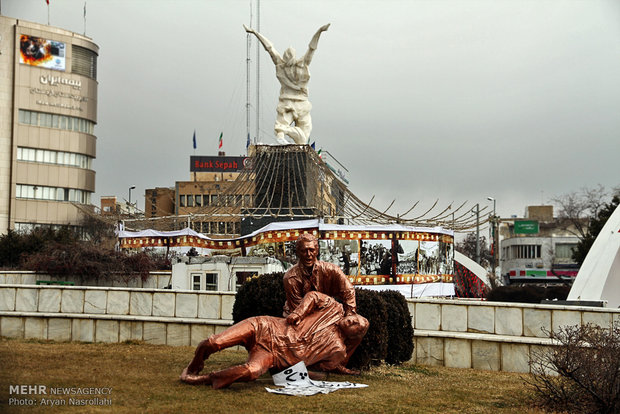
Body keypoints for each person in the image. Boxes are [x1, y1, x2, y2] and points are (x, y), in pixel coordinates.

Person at [180, 291, 368, 389]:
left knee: (252, 371)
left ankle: (207, 379)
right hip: (264, 326)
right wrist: (299, 312)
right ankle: (195, 365)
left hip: (272, 354)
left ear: (354, 335)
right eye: (356, 318)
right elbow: (313, 296)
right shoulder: (333, 309)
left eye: (356, 326)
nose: (353, 320)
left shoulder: (337, 350)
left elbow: (325, 368)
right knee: (214, 342)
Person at [243, 23, 330, 145]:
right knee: (303, 138)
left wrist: (255, 33)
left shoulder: (281, 65)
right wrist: (319, 31)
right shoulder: (302, 64)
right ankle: (282, 131)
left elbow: (270, 48)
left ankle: (282, 131)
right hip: (301, 104)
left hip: (287, 102)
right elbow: (311, 48)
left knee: (293, 132)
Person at [283, 233, 357, 317]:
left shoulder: (332, 270)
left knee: (360, 324)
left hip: (328, 312)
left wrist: (350, 315)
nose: (308, 254)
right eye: (304, 251)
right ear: (298, 252)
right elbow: (298, 309)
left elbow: (348, 291)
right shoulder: (291, 278)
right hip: (303, 317)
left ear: (317, 251)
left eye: (312, 250)